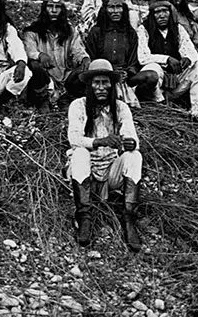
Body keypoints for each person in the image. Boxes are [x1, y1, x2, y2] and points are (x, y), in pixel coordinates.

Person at [67, 59, 142, 251]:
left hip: (110, 171)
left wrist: (129, 142)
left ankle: (129, 219)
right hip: (86, 172)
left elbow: (131, 135)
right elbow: (74, 138)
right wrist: (99, 142)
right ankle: (84, 216)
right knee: (79, 153)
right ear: (89, 85)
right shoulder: (78, 105)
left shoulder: (121, 108)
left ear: (112, 85)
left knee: (135, 156)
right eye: (96, 83)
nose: (101, 88)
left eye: (105, 83)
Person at [136, 0, 198, 117]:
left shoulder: (178, 28)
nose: (162, 15)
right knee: (152, 67)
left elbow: (192, 51)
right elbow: (142, 56)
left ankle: (197, 113)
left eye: (165, 11)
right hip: (157, 84)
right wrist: (166, 59)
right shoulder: (143, 29)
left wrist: (187, 59)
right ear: (152, 15)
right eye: (157, 12)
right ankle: (160, 103)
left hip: (175, 81)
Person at [22, 0, 89, 112]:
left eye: (57, 7)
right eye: (50, 7)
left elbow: (77, 49)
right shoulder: (33, 31)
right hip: (45, 76)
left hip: (65, 74)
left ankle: (68, 98)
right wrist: (40, 55)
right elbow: (29, 50)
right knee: (34, 66)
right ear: (44, 9)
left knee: (84, 69)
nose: (53, 11)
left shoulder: (69, 31)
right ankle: (43, 99)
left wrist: (84, 58)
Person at [83, 0, 142, 107]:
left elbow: (134, 60)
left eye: (119, 7)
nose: (115, 11)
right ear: (105, 9)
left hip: (124, 76)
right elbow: (91, 57)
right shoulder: (96, 32)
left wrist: (128, 72)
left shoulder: (130, 33)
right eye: (111, 7)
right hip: (102, 74)